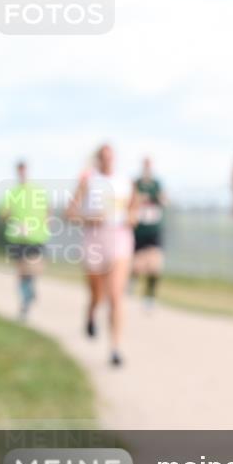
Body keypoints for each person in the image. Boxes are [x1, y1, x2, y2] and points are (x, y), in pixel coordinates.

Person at [66, 144, 138, 367]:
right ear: (98, 159)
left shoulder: (126, 182)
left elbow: (134, 210)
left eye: (110, 157)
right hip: (94, 239)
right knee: (97, 293)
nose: (107, 161)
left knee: (116, 294)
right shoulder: (88, 180)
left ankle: (115, 348)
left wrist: (131, 218)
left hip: (119, 239)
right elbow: (69, 213)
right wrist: (88, 218)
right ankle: (91, 313)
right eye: (103, 157)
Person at [0, 162, 50, 320]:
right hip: (17, 237)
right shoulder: (12, 192)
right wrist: (10, 215)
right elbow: (3, 214)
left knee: (33, 269)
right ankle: (26, 301)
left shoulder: (38, 190)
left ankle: (29, 292)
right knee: (21, 272)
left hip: (36, 236)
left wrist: (45, 224)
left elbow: (48, 210)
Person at [131, 157, 166, 310]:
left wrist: (157, 198)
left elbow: (164, 200)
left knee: (155, 266)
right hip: (139, 230)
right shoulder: (136, 183)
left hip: (154, 230)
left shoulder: (157, 184)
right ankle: (130, 281)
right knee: (137, 266)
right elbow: (131, 201)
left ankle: (149, 296)